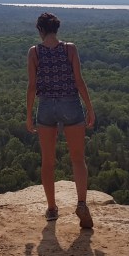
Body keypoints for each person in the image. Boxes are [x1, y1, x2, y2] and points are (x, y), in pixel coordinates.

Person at [26, 12, 96, 228]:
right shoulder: (70, 49)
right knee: (77, 158)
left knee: (48, 161)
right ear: (56, 29)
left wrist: (29, 115)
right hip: (70, 104)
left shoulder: (34, 52)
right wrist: (90, 108)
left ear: (40, 30)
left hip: (46, 106)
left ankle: (52, 209)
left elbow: (32, 86)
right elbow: (78, 81)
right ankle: (82, 203)